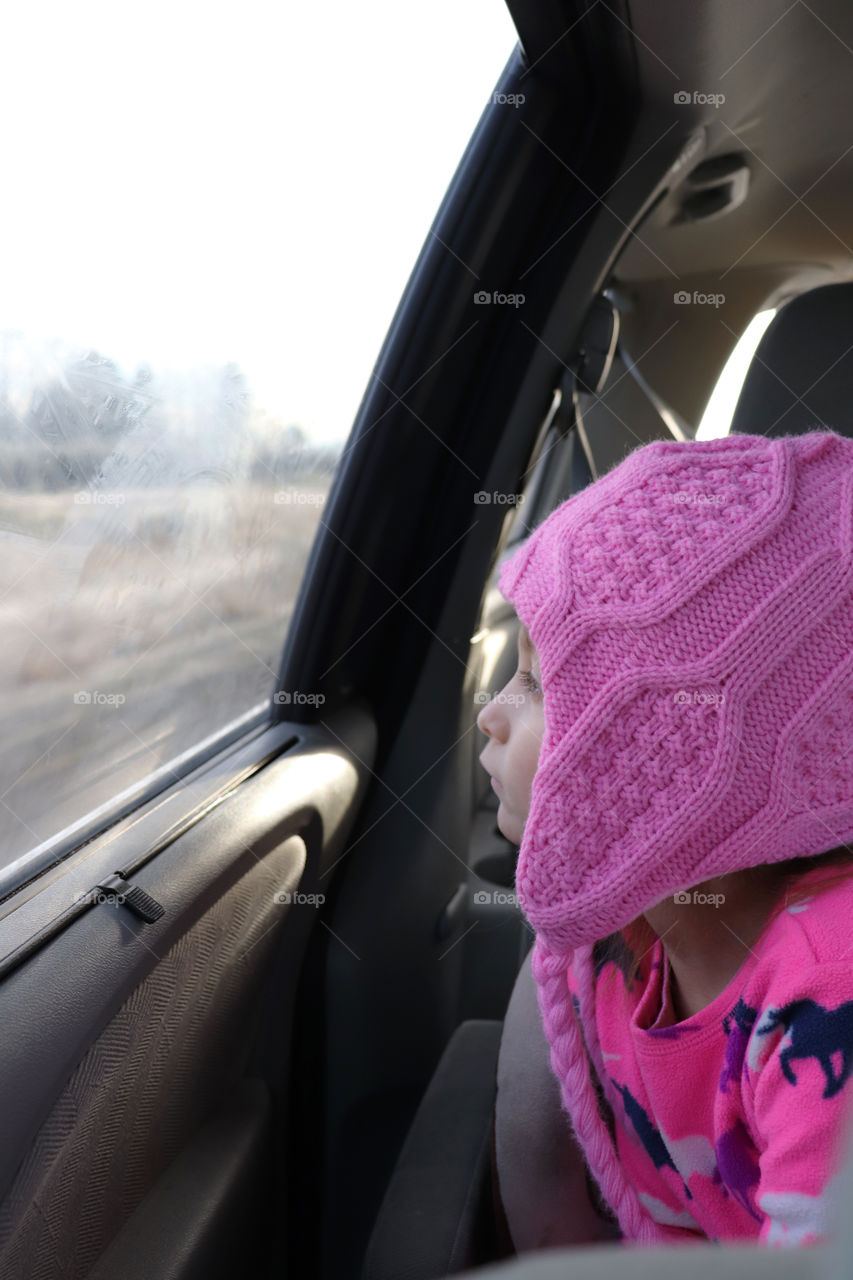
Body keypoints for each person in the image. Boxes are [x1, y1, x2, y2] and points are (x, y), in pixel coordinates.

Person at [477, 429, 853, 1249]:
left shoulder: (831, 987)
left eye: (537, 681)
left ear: (664, 756)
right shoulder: (610, 949)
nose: (491, 714)